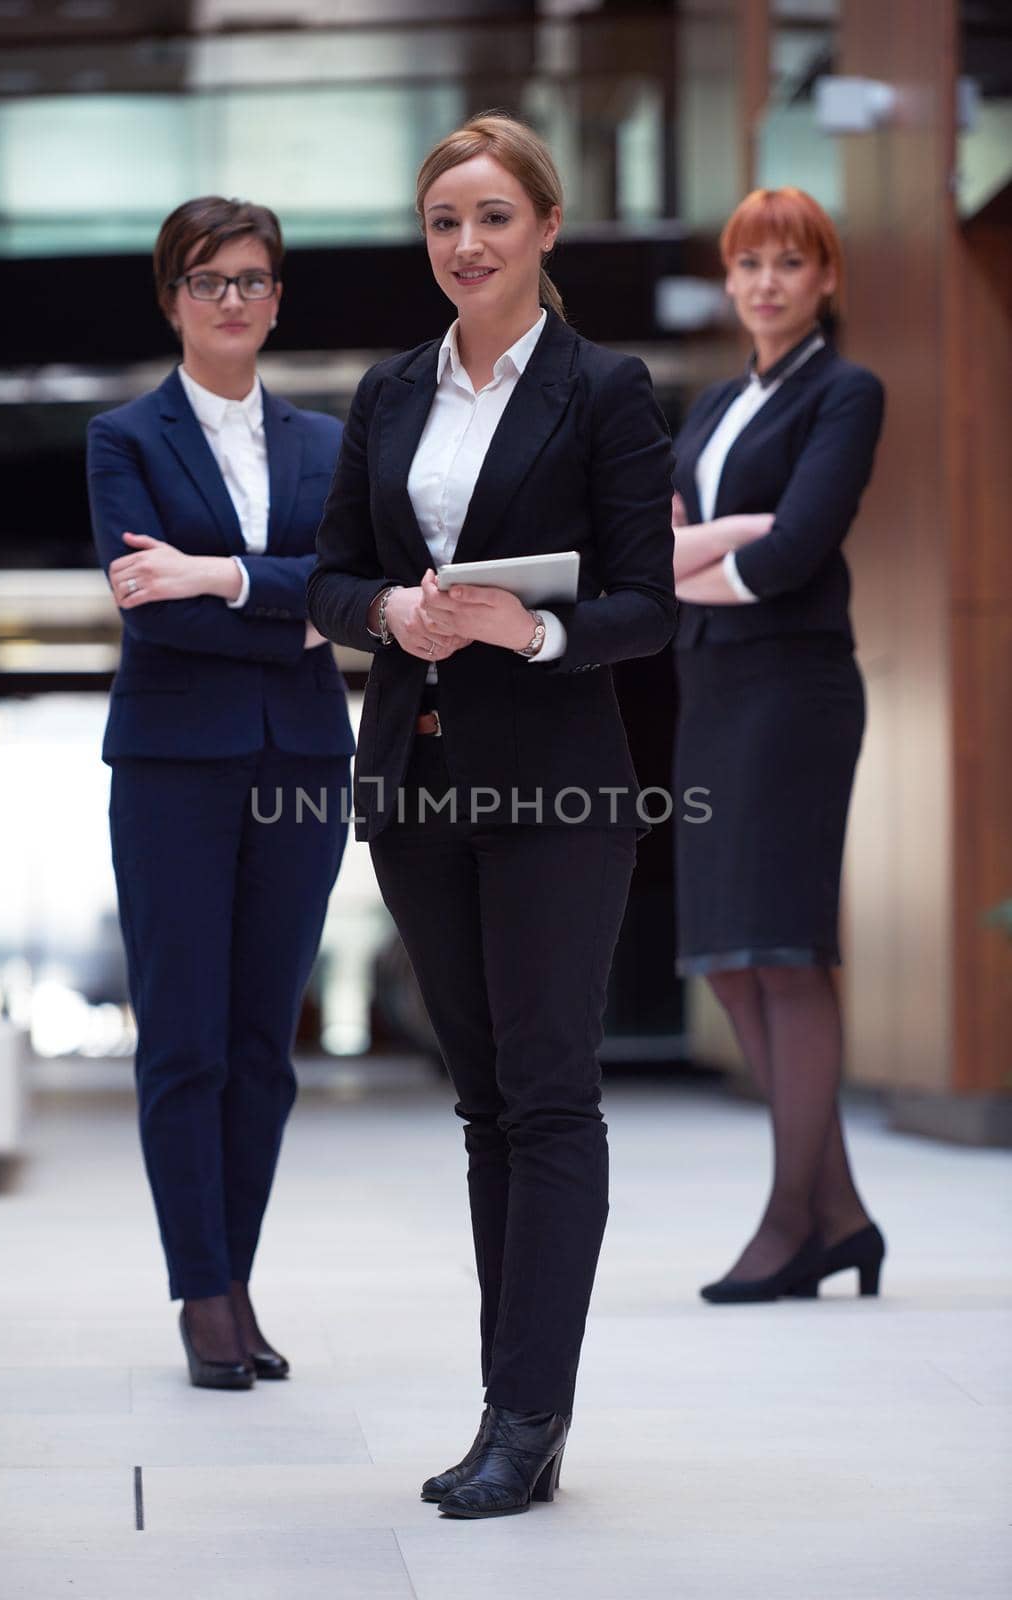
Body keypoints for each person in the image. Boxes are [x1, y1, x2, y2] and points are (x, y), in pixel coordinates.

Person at [308, 112, 676, 1519]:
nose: (466, 244)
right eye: (445, 221)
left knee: (547, 1097)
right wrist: (391, 610)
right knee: (481, 1108)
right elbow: (336, 576)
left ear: (546, 230)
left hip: (558, 785)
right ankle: (505, 1407)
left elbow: (643, 606)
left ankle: (529, 1417)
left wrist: (528, 632)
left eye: (493, 218)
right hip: (416, 779)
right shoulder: (391, 392)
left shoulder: (604, 388)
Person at [86, 197, 353, 1388]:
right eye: (209, 281)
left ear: (278, 299)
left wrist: (224, 576)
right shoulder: (124, 439)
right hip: (172, 773)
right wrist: (287, 610)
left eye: (252, 280)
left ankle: (234, 1274)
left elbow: (359, 584)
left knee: (265, 1045)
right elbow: (155, 610)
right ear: (172, 299)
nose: (232, 300)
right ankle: (201, 1290)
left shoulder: (327, 444)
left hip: (303, 764)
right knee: (184, 1042)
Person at [670, 186, 886, 1304]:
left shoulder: (847, 393)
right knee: (732, 952)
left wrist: (704, 559)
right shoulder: (708, 409)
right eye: (748, 263)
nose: (765, 282)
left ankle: (793, 1220)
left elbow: (796, 550)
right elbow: (647, 555)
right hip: (710, 688)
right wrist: (712, 549)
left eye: (788, 263)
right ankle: (841, 1214)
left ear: (825, 279)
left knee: (785, 946)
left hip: (795, 692)